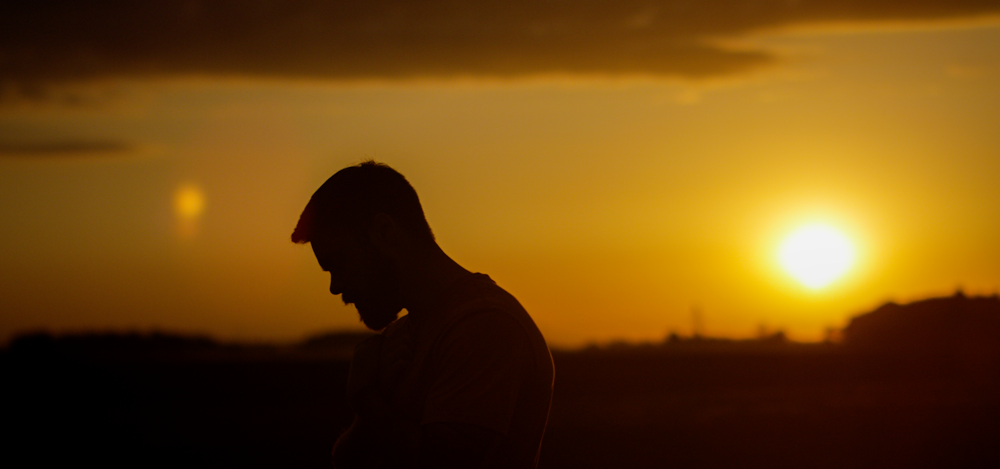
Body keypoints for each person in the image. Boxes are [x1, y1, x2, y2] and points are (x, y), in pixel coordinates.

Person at [291, 161, 554, 468]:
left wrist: (366, 398)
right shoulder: (402, 335)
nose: (336, 287)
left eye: (341, 262)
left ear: (385, 232)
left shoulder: (485, 327)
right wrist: (369, 409)